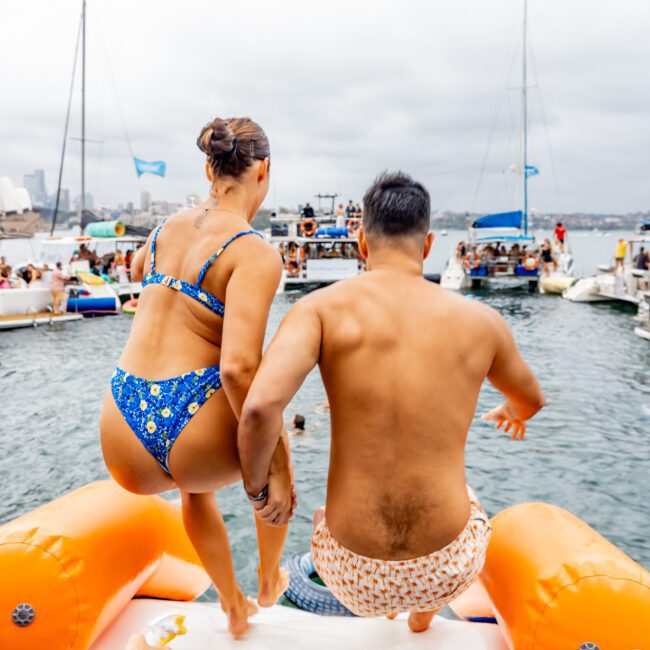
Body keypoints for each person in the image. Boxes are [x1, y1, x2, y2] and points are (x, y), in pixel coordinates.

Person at [238, 171, 544, 634]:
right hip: (445, 569)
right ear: (428, 245)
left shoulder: (319, 310)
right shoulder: (482, 322)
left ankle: (385, 602)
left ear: (361, 241)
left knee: (324, 514)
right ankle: (421, 619)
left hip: (349, 572)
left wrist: (262, 492)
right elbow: (531, 399)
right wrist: (511, 412)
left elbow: (259, 409)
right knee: (471, 501)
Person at [100, 116, 293, 641]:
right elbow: (237, 369)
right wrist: (272, 460)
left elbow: (140, 266)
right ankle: (268, 576)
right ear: (264, 171)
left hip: (121, 428)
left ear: (209, 167)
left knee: (195, 493)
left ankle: (231, 603)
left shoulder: (164, 227)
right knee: (273, 432)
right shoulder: (254, 252)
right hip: (192, 434)